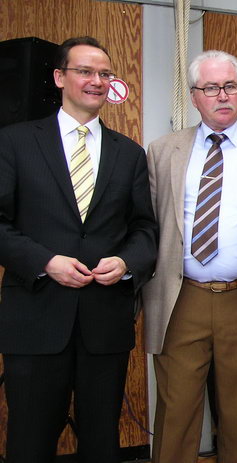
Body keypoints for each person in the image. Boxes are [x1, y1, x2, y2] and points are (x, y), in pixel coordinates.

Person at [0, 36, 158, 463]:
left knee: (101, 441)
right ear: (59, 77)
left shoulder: (130, 153)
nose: (96, 81)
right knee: (29, 441)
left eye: (104, 73)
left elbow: (145, 229)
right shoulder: (14, 142)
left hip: (103, 322)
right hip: (35, 317)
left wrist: (127, 262)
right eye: (85, 71)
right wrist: (45, 261)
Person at [142, 50, 237, 463]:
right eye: (211, 88)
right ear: (195, 96)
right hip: (180, 300)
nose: (222, 95)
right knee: (175, 417)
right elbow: (149, 224)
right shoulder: (162, 151)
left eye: (231, 86)